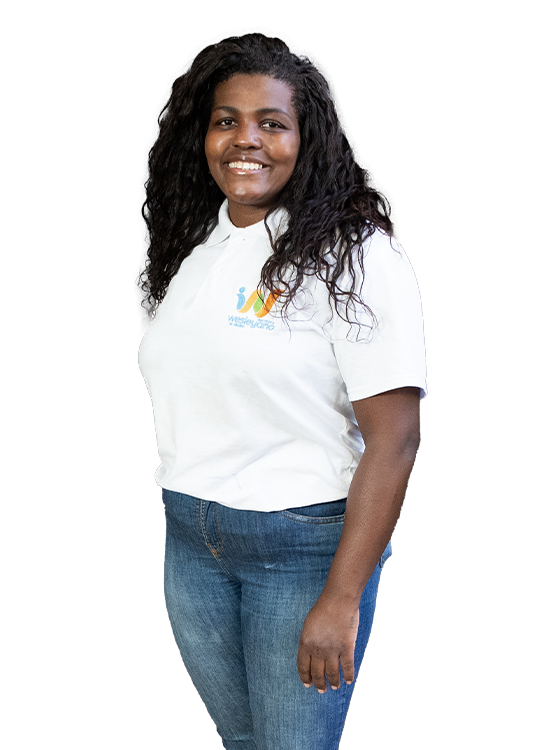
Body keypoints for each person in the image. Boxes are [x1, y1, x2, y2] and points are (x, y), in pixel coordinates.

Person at [137, 32, 427, 750]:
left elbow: (395, 439)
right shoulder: (196, 246)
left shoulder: (355, 254)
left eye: (272, 123)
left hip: (300, 548)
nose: (247, 140)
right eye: (226, 120)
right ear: (202, 136)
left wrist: (342, 597)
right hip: (190, 539)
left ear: (307, 139)